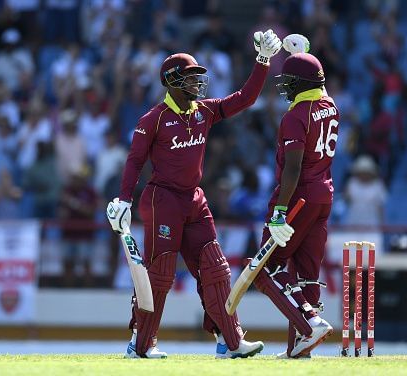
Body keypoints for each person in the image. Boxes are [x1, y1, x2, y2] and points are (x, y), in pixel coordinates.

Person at [106, 29, 282, 359]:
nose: (197, 83)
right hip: (162, 201)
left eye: (197, 77)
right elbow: (134, 160)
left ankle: (230, 342)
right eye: (189, 77)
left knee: (216, 270)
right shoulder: (153, 119)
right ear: (171, 81)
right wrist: (124, 199)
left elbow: (245, 98)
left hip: (194, 199)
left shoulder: (204, 111)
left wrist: (263, 61)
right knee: (159, 276)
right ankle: (141, 345)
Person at [251, 42, 338, 359]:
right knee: (307, 273)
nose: (285, 87)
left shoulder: (295, 116)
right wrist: (307, 59)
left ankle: (310, 321)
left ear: (302, 85)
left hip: (297, 197)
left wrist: (279, 213)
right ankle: (300, 350)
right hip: (324, 195)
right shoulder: (330, 105)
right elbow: (319, 86)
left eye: (289, 82)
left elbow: (292, 168)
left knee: (264, 268)